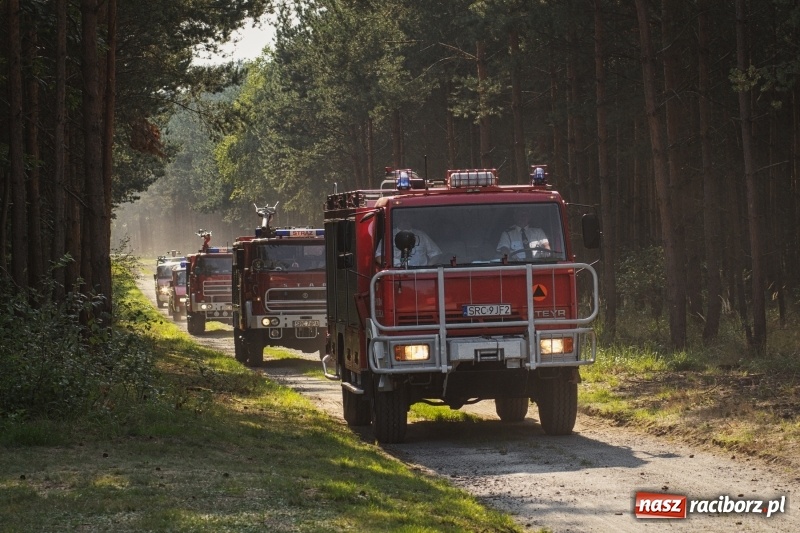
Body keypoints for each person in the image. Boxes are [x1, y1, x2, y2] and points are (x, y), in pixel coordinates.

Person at [376, 218, 443, 267]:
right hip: (395, 274)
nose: (404, 222)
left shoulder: (421, 235)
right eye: (402, 219)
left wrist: (427, 267)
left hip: (420, 273)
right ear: (397, 220)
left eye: (407, 219)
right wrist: (388, 267)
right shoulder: (388, 235)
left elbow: (436, 253)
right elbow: (378, 255)